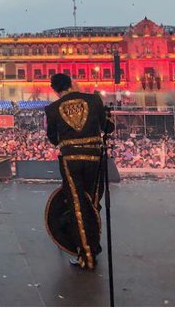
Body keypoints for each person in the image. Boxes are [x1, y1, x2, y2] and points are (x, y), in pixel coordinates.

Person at [44, 72, 113, 270]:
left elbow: (54, 138)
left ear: (55, 90)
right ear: (72, 83)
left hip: (71, 160)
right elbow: (107, 127)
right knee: (92, 202)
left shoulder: (52, 108)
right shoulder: (93, 99)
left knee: (78, 206)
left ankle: (87, 256)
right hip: (94, 157)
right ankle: (94, 247)